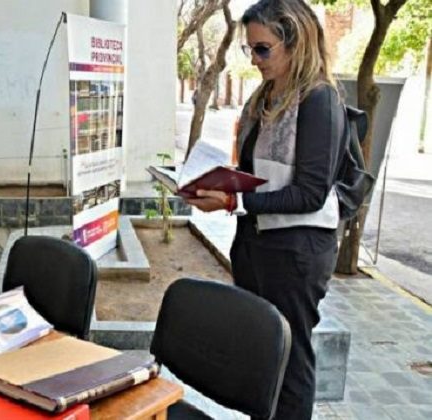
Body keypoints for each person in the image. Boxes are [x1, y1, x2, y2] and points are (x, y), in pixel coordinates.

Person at [185, 1, 344, 418]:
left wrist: (235, 200)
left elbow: (310, 193)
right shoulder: (264, 95)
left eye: (262, 49)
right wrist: (215, 185)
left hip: (297, 252)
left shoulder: (319, 100)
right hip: (255, 242)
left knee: (290, 362)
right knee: (260, 355)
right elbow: (257, 173)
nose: (254, 60)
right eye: (250, 50)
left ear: (295, 42)